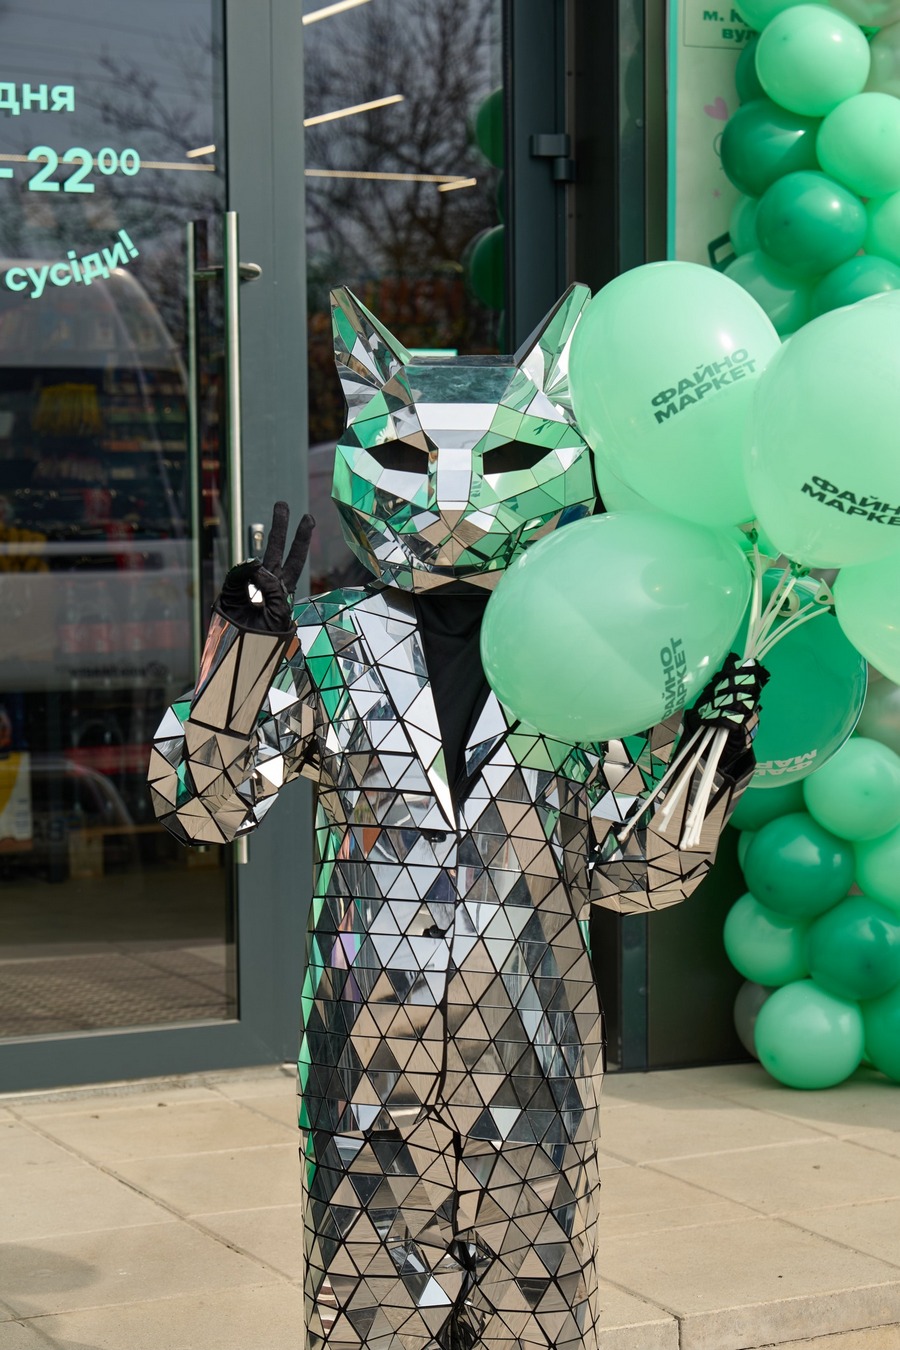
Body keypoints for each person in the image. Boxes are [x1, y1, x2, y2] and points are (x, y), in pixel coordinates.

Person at [149, 284, 766, 1350]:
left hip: (534, 1065)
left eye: (505, 458)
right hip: (364, 1067)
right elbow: (204, 807)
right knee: (368, 1326)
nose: (451, 495)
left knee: (538, 1327)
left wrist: (706, 762)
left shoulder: (594, 651)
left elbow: (635, 878)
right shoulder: (322, 645)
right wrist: (241, 659)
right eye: (408, 457)